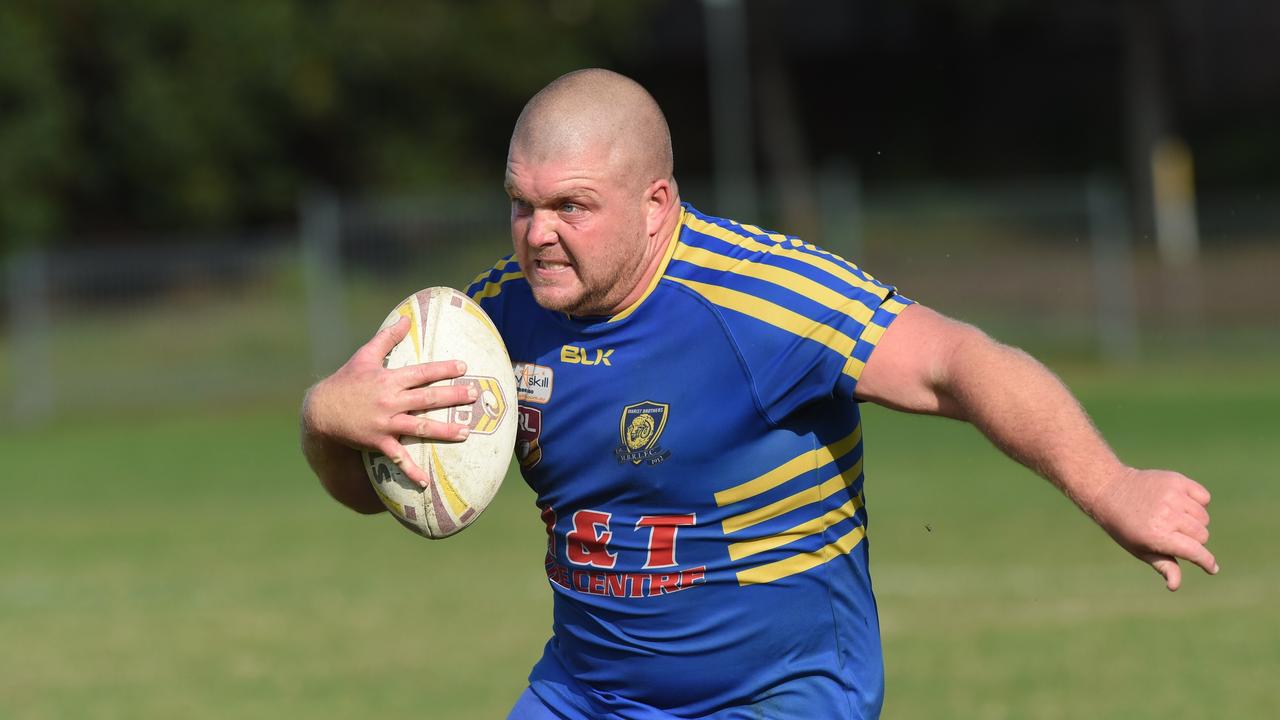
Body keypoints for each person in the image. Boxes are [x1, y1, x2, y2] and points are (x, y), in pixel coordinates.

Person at [300, 69, 1217, 719]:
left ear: (656, 205)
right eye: (521, 203)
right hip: (585, 695)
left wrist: (1110, 485)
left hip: (780, 698)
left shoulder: (764, 302)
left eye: (572, 206)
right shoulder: (496, 324)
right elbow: (405, 495)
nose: (538, 234)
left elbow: (959, 362)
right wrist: (328, 427)